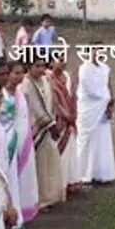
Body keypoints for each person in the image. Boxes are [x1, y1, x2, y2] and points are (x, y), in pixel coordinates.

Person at [0, 62, 39, 229]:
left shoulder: (20, 92)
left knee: (22, 178)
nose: (19, 77)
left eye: (21, 73)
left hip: (23, 140)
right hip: (6, 143)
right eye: (15, 73)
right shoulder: (1, 95)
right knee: (8, 179)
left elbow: (25, 115)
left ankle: (22, 210)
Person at [22, 57, 66, 209]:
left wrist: (54, 120)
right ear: (29, 67)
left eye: (43, 66)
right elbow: (35, 108)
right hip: (36, 129)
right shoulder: (26, 84)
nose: (41, 69)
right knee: (38, 166)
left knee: (49, 163)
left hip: (48, 127)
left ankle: (50, 196)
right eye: (37, 66)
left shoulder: (46, 81)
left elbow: (51, 103)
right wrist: (50, 124)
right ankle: (38, 200)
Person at [76, 46, 115, 185]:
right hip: (90, 109)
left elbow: (108, 86)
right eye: (96, 50)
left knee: (102, 139)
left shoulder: (105, 68)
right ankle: (83, 173)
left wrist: (110, 104)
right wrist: (106, 99)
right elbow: (91, 91)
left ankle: (102, 173)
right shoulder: (84, 69)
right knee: (86, 140)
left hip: (102, 109)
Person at [48, 57, 81, 194]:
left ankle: (70, 181)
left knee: (70, 150)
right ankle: (59, 184)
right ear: (51, 62)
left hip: (70, 119)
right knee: (59, 152)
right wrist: (66, 116)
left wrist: (73, 115)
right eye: (59, 60)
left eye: (64, 60)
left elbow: (73, 96)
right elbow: (54, 102)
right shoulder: (48, 79)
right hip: (58, 121)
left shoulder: (67, 76)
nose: (63, 63)